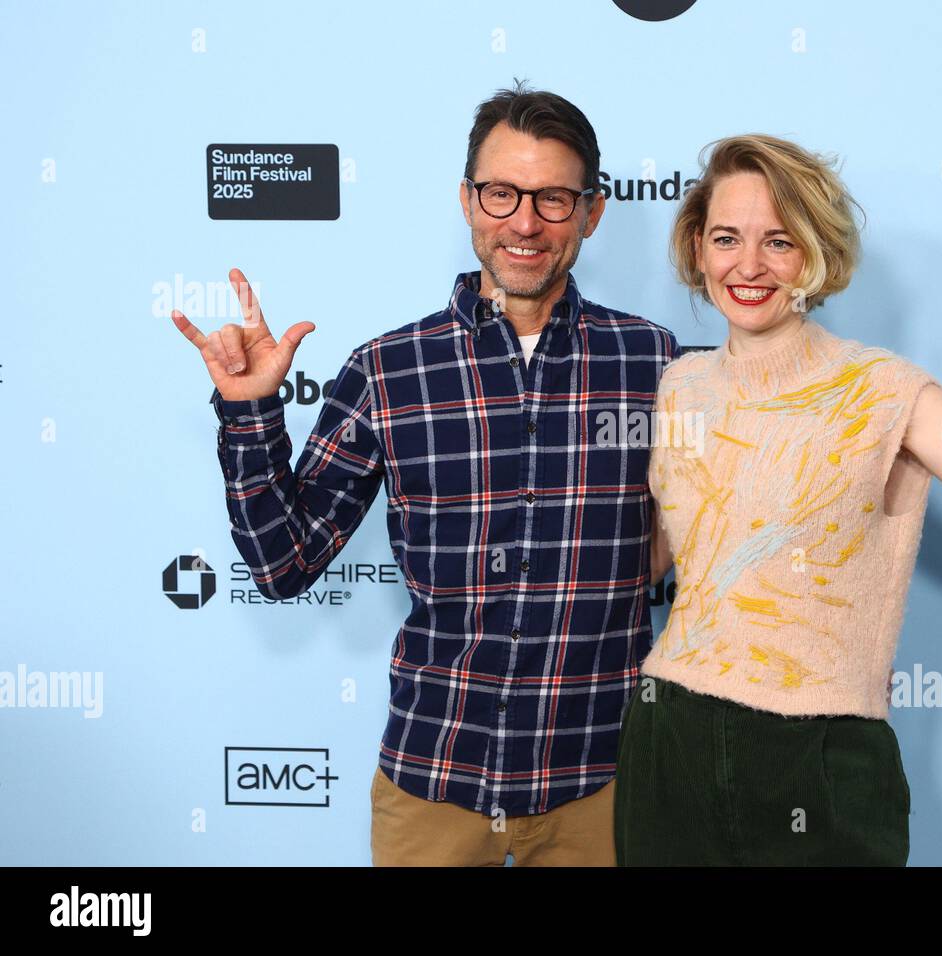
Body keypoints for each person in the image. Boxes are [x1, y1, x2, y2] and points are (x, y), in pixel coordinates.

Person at [172, 81, 680, 866]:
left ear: (592, 212)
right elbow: (282, 566)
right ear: (468, 201)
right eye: (502, 192)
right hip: (434, 781)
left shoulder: (655, 362)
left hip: (604, 785)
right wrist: (250, 413)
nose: (525, 221)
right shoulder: (389, 369)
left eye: (553, 198)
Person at [615, 134, 942, 866]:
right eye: (727, 238)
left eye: (778, 241)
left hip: (821, 753)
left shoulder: (884, 391)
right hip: (668, 737)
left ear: (815, 254)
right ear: (696, 247)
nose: (748, 266)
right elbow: (652, 559)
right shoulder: (678, 386)